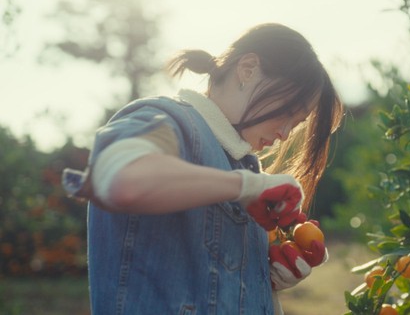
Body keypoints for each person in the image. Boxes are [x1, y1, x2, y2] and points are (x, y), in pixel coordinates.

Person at [62, 23, 344, 314]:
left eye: (296, 124)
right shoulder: (164, 119)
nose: (285, 133)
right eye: (287, 113)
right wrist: (245, 186)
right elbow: (119, 178)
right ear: (248, 69)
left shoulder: (239, 166)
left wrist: (263, 279)